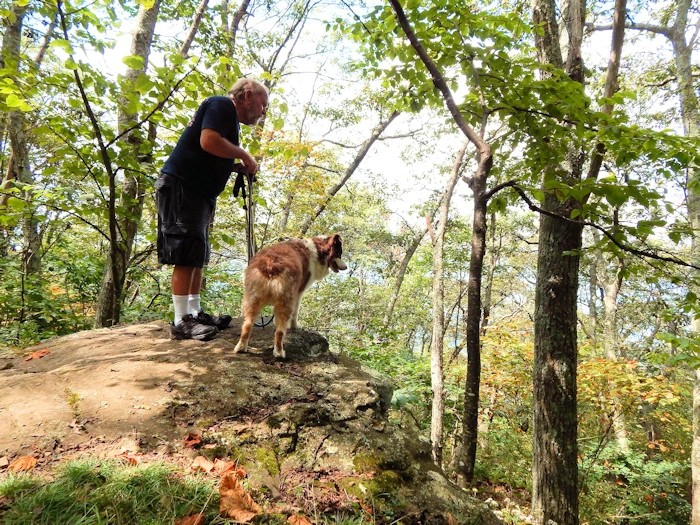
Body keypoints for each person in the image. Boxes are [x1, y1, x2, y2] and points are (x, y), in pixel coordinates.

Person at [156, 78, 269, 340]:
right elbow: (208, 141)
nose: (263, 111)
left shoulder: (228, 118)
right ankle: (181, 320)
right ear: (248, 95)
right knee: (186, 253)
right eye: (263, 104)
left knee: (196, 252)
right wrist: (244, 155)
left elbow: (207, 153)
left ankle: (194, 312)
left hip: (197, 192)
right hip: (183, 187)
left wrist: (233, 166)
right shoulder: (221, 105)